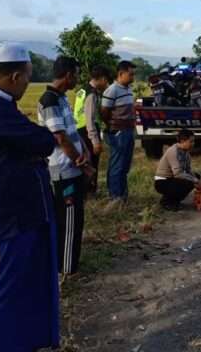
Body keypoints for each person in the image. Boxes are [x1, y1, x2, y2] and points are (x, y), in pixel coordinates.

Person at [0, 42, 60, 352]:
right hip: (9, 217)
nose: (27, 85)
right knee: (1, 293)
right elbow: (43, 140)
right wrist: (37, 147)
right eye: (28, 78)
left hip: (16, 212)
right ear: (15, 76)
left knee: (20, 286)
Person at [38, 56, 94, 276]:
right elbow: (60, 138)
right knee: (69, 219)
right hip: (64, 171)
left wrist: (85, 152)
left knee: (75, 216)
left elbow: (72, 133)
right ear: (69, 74)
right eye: (77, 74)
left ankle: (67, 263)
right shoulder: (49, 100)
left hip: (73, 168)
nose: (78, 79)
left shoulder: (61, 99)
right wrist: (82, 164)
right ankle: (67, 269)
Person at [101, 60, 137, 207]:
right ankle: (115, 196)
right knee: (117, 165)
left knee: (125, 165)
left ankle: (123, 195)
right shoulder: (112, 90)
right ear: (121, 74)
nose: (133, 77)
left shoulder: (128, 89)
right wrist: (112, 126)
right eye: (131, 74)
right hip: (118, 132)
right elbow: (104, 112)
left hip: (129, 131)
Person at [74, 65, 111, 194]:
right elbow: (89, 119)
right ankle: (90, 192)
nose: (106, 85)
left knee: (85, 163)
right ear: (101, 79)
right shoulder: (91, 95)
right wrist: (95, 141)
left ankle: (86, 191)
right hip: (87, 133)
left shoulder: (82, 90)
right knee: (91, 164)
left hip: (79, 130)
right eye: (106, 81)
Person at [154, 129, 201, 210]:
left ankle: (175, 201)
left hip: (172, 179)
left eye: (193, 141)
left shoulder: (186, 153)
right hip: (162, 181)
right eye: (191, 141)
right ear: (182, 141)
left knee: (196, 176)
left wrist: (198, 181)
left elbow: (188, 170)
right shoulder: (173, 151)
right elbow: (178, 173)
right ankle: (166, 202)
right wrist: (196, 181)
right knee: (189, 182)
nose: (193, 144)